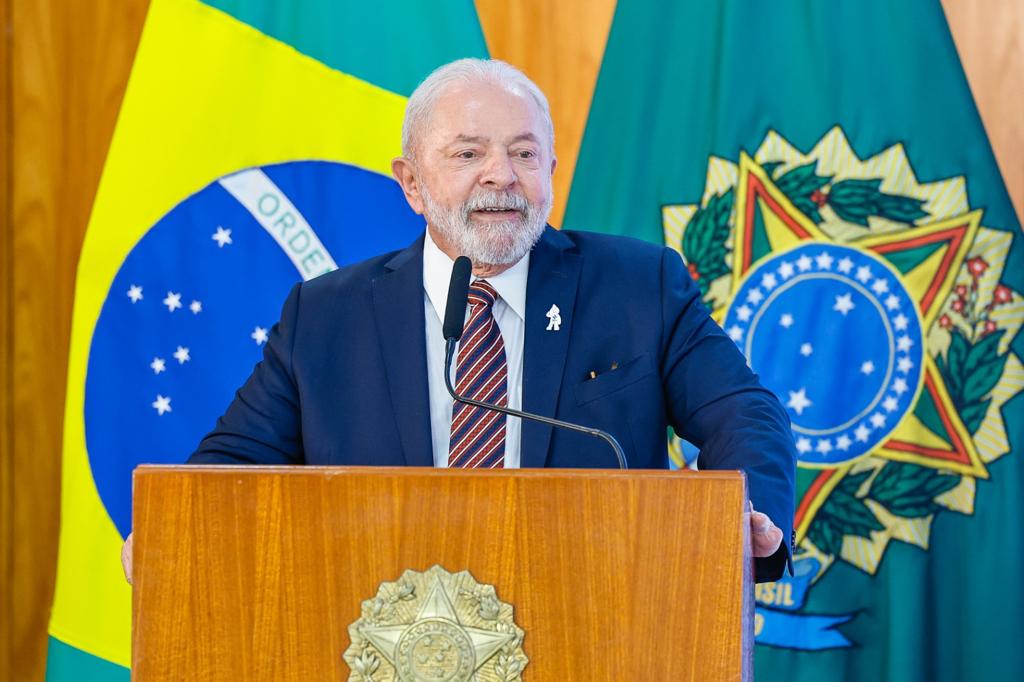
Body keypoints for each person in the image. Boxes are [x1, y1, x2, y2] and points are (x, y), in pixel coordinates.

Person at [122, 58, 795, 583]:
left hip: (595, 619)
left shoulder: (638, 286)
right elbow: (233, 467)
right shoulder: (324, 317)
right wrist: (173, 531)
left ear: (552, 173)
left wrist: (746, 515)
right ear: (411, 183)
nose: (500, 176)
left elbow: (742, 410)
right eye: (468, 154)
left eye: (525, 154)